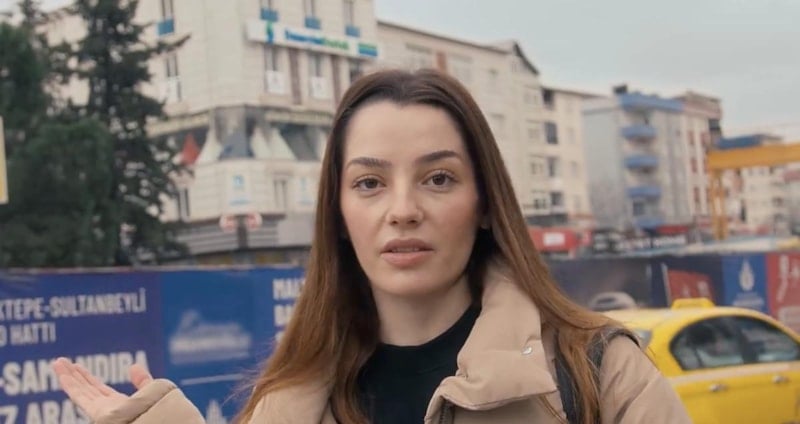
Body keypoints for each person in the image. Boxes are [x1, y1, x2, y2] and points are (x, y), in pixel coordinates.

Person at [52, 69, 691, 423]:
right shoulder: (284, 404)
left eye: (438, 178)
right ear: (338, 212)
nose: (403, 209)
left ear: (485, 202)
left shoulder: (596, 373)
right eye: (369, 183)